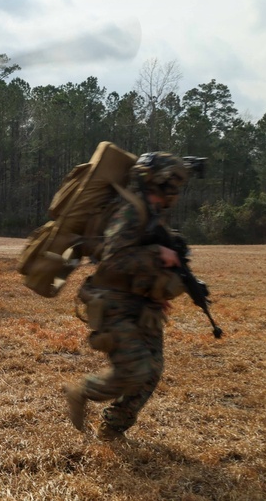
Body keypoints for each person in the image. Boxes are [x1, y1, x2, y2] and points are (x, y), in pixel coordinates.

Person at [64, 152, 191, 441]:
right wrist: (158, 253)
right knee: (134, 371)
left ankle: (112, 429)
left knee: (151, 372)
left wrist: (157, 289)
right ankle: (81, 391)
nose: (174, 190)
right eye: (171, 183)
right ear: (157, 182)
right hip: (113, 303)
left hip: (143, 304)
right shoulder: (131, 210)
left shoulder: (153, 214)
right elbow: (113, 260)